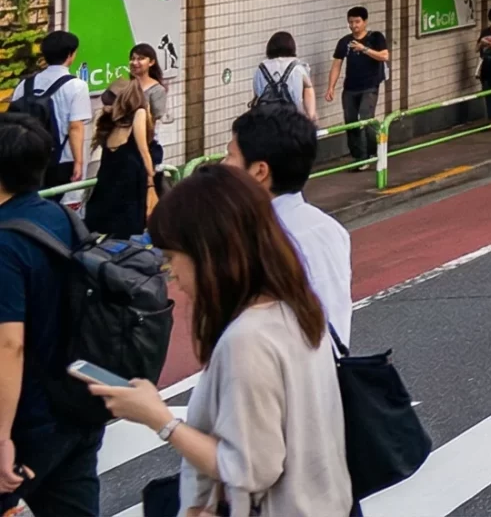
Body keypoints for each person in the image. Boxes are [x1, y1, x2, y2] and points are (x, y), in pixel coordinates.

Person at [85, 165, 350, 517]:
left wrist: (159, 418)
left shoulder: (247, 340)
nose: (172, 274)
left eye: (172, 258)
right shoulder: (296, 307)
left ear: (209, 253)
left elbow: (253, 468)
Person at [0, 112, 103, 517]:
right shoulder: (62, 218)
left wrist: (2, 436)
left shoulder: (5, 242)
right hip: (77, 404)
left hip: (29, 420)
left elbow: (10, 345)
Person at [226, 105, 353, 343]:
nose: (224, 164)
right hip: (328, 372)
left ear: (259, 171)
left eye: (230, 155)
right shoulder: (330, 228)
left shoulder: (262, 241)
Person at [79, 69, 157, 240]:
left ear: (123, 101)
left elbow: (144, 149)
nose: (107, 107)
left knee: (123, 229)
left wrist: (150, 180)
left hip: (127, 181)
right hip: (113, 180)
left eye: (111, 103)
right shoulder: (110, 122)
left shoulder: (139, 113)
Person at [12, 32, 90, 191]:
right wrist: (79, 162)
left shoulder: (25, 84)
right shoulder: (77, 86)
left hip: (27, 157)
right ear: (70, 55)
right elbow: (75, 127)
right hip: (61, 159)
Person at [325, 6, 390, 164]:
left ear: (365, 21)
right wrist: (331, 87)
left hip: (370, 86)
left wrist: (364, 49)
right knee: (351, 122)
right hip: (350, 88)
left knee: (366, 119)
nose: (354, 25)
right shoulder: (345, 42)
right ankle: (359, 158)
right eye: (351, 22)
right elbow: (336, 65)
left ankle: (373, 152)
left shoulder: (375, 37)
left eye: (357, 22)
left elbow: (384, 55)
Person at [251, 32, 317, 121]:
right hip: (293, 119)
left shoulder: (261, 68)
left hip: (266, 119)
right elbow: (308, 88)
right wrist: (311, 115)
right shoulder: (297, 67)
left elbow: (257, 94)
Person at [125, 45, 169, 176]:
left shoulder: (157, 90)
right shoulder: (127, 86)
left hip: (147, 143)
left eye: (141, 59)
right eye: (133, 59)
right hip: (125, 142)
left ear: (151, 62)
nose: (135, 63)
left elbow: (155, 119)